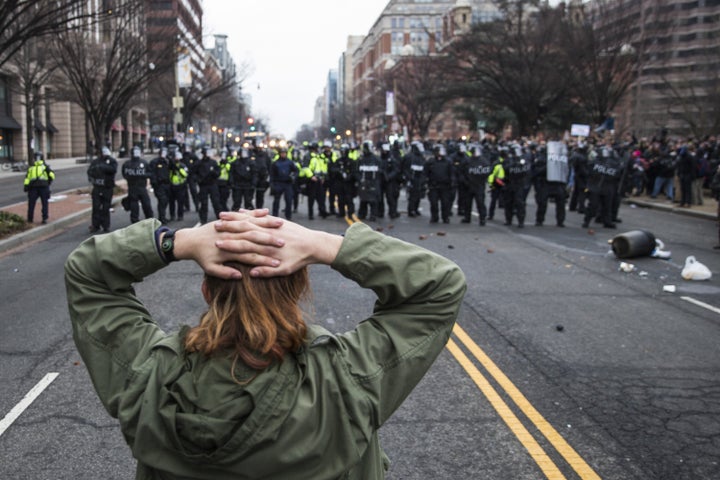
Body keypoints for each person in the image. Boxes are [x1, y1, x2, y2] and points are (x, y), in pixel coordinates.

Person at [65, 210, 466, 479]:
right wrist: (325, 245)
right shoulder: (345, 382)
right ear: (298, 284)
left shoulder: (149, 376)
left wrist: (178, 242)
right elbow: (439, 286)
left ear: (207, 290)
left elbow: (86, 273)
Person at [87, 146, 117, 233]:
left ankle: (106, 225)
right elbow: (90, 171)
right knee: (96, 207)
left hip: (107, 188)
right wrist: (92, 176)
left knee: (105, 207)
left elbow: (113, 170)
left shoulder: (111, 161)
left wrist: (103, 167)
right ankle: (95, 225)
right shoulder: (96, 162)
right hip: (97, 187)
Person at [121, 147, 154, 223]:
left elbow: (150, 173)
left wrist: (143, 175)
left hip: (142, 187)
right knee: (134, 207)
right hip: (132, 187)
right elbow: (124, 174)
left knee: (146, 205)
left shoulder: (144, 162)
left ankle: (150, 221)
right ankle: (135, 221)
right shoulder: (127, 164)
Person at [424, 144, 455, 224]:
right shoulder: (430, 162)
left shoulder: (448, 162)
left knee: (445, 203)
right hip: (433, 185)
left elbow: (452, 173)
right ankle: (434, 217)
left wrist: (452, 182)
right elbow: (425, 173)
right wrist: (425, 182)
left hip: (445, 186)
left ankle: (445, 217)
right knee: (434, 203)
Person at [193, 148, 223, 224]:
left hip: (212, 184)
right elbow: (193, 173)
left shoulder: (213, 162)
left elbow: (218, 173)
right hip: (203, 185)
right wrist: (198, 179)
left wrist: (213, 172)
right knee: (203, 203)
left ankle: (219, 217)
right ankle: (203, 219)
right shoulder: (198, 163)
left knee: (216, 202)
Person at [23, 152, 55, 224]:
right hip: (43, 187)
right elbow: (52, 176)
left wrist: (26, 186)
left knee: (31, 204)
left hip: (33, 188)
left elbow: (27, 178)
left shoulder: (31, 167)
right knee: (44, 203)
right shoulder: (45, 167)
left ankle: (30, 219)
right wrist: (48, 182)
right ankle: (44, 218)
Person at [270, 148, 298, 219]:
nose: (283, 154)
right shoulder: (275, 163)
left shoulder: (290, 162)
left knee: (289, 200)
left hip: (287, 183)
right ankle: (274, 216)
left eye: (284, 153)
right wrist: (272, 184)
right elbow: (272, 175)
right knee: (276, 201)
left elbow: (296, 171)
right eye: (282, 153)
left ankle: (288, 216)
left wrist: (293, 176)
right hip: (278, 183)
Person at [149, 148, 171, 224]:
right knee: (162, 200)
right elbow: (152, 173)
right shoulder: (155, 162)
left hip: (167, 184)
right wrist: (154, 183)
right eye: (163, 152)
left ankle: (163, 217)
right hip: (159, 185)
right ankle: (161, 218)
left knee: (166, 201)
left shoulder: (167, 161)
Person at [168, 151, 189, 221]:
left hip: (181, 186)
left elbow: (186, 174)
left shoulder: (182, 165)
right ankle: (172, 215)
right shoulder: (170, 165)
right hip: (172, 186)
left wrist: (178, 169)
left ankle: (180, 216)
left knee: (180, 202)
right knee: (171, 202)